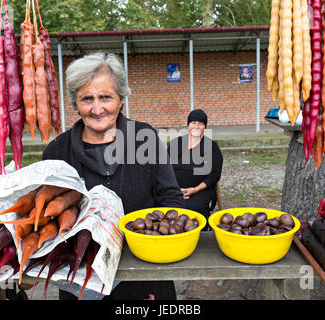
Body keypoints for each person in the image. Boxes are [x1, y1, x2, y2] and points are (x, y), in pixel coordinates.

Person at [42, 52, 184, 300]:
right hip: (81, 279)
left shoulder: (145, 138)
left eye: (105, 97)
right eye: (87, 98)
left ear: (121, 100)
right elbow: (46, 218)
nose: (97, 109)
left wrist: (153, 242)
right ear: (75, 103)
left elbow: (171, 198)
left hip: (144, 273)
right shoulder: (57, 151)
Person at [167, 109, 223, 229]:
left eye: (201, 124)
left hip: (200, 189)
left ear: (205, 127)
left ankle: (200, 238)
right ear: (188, 125)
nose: (196, 126)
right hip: (175, 189)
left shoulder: (212, 147)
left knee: (194, 208)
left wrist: (195, 189)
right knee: (169, 208)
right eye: (193, 123)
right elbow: (165, 169)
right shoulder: (176, 143)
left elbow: (214, 174)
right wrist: (176, 189)